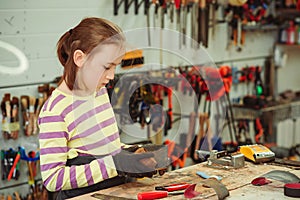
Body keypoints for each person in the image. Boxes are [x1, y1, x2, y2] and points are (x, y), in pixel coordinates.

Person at [38, 17, 157, 200]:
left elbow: (108, 147)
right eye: (106, 67)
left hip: (112, 192)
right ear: (79, 58)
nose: (111, 76)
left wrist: (134, 154)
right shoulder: (55, 111)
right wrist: (116, 164)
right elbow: (53, 179)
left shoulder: (99, 92)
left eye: (115, 67)